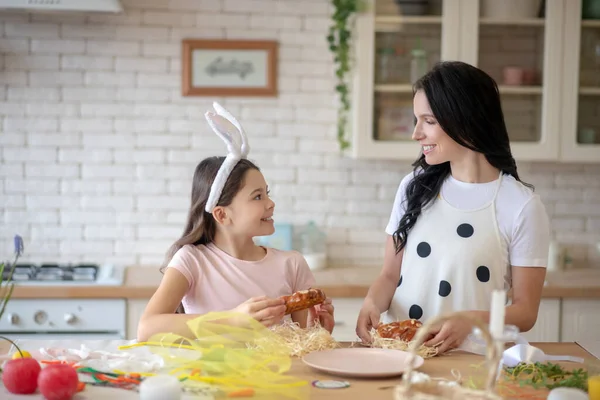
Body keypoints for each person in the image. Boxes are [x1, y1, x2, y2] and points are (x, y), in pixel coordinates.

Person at [355, 61, 550, 353]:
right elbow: (389, 275)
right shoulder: (413, 187)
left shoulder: (521, 206)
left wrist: (470, 321)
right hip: (400, 358)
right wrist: (372, 302)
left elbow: (525, 312)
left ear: (466, 120)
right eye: (416, 120)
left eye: (428, 121)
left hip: (473, 365)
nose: (416, 133)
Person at [137, 102, 334, 342]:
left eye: (267, 193)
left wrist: (321, 328)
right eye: (258, 196)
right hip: (210, 377)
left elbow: (307, 341)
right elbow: (147, 328)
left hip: (274, 377)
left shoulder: (292, 264)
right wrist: (234, 320)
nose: (271, 203)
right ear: (222, 215)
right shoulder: (192, 261)